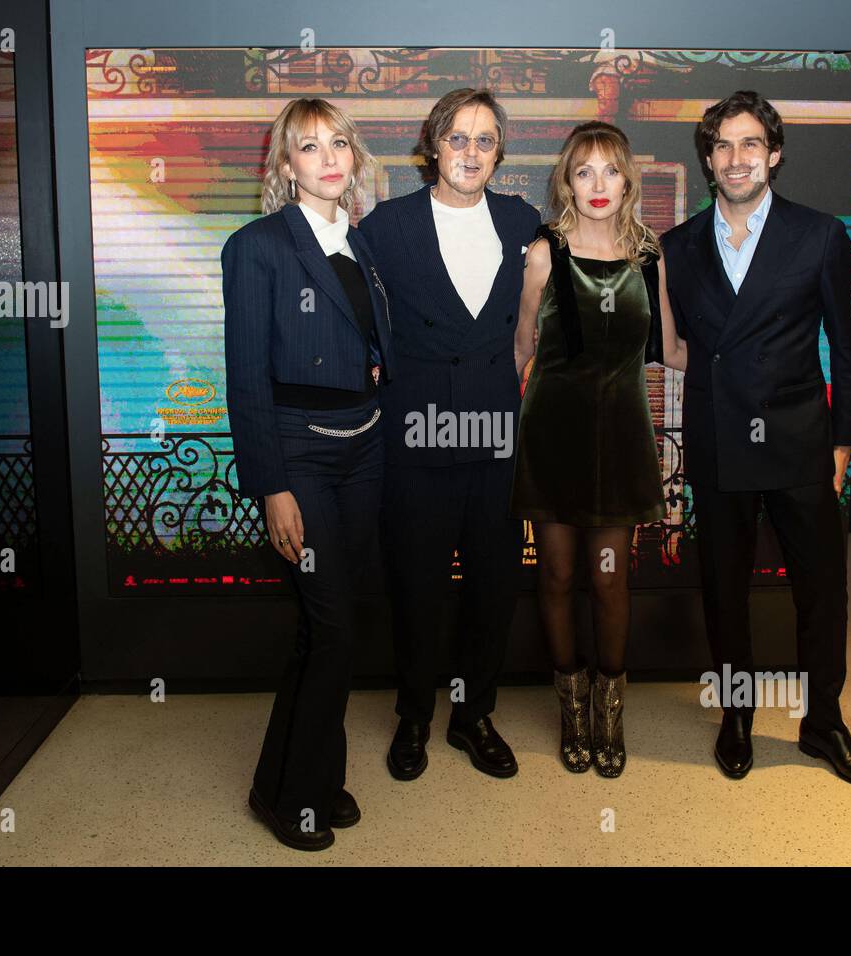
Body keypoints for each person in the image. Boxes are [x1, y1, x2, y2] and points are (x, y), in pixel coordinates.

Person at [660, 90, 851, 793]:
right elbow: (672, 350)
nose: (737, 158)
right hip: (718, 440)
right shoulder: (676, 246)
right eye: (723, 145)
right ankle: (736, 716)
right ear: (707, 158)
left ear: (775, 154)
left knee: (822, 592)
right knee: (724, 591)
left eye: (751, 144)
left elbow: (848, 350)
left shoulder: (819, 235)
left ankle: (823, 722)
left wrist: (844, 444)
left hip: (799, 442)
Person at [222, 97, 394, 850]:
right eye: (308, 147)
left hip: (365, 449)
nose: (328, 158)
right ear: (285, 165)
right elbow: (245, 378)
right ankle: (292, 797)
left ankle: (308, 775)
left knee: (331, 627)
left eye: (338, 145)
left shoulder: (361, 244)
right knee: (332, 629)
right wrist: (272, 487)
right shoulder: (256, 247)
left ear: (353, 157)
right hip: (300, 456)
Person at [357, 88, 541, 781]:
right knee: (418, 586)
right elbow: (361, 326)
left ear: (499, 153)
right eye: (457, 137)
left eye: (485, 139)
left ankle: (472, 716)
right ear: (433, 145)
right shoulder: (385, 226)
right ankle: (413, 717)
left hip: (494, 433)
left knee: (494, 586)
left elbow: (531, 323)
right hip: (418, 435)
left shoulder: (523, 221)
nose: (470, 151)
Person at [510, 121, 686, 777]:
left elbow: (668, 349)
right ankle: (571, 710)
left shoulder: (649, 254)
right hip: (553, 432)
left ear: (628, 179)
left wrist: (748, 372)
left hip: (620, 437)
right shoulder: (543, 253)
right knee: (555, 575)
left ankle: (610, 716)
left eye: (610, 169)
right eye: (584, 171)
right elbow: (522, 349)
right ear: (567, 182)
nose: (598, 184)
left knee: (610, 579)